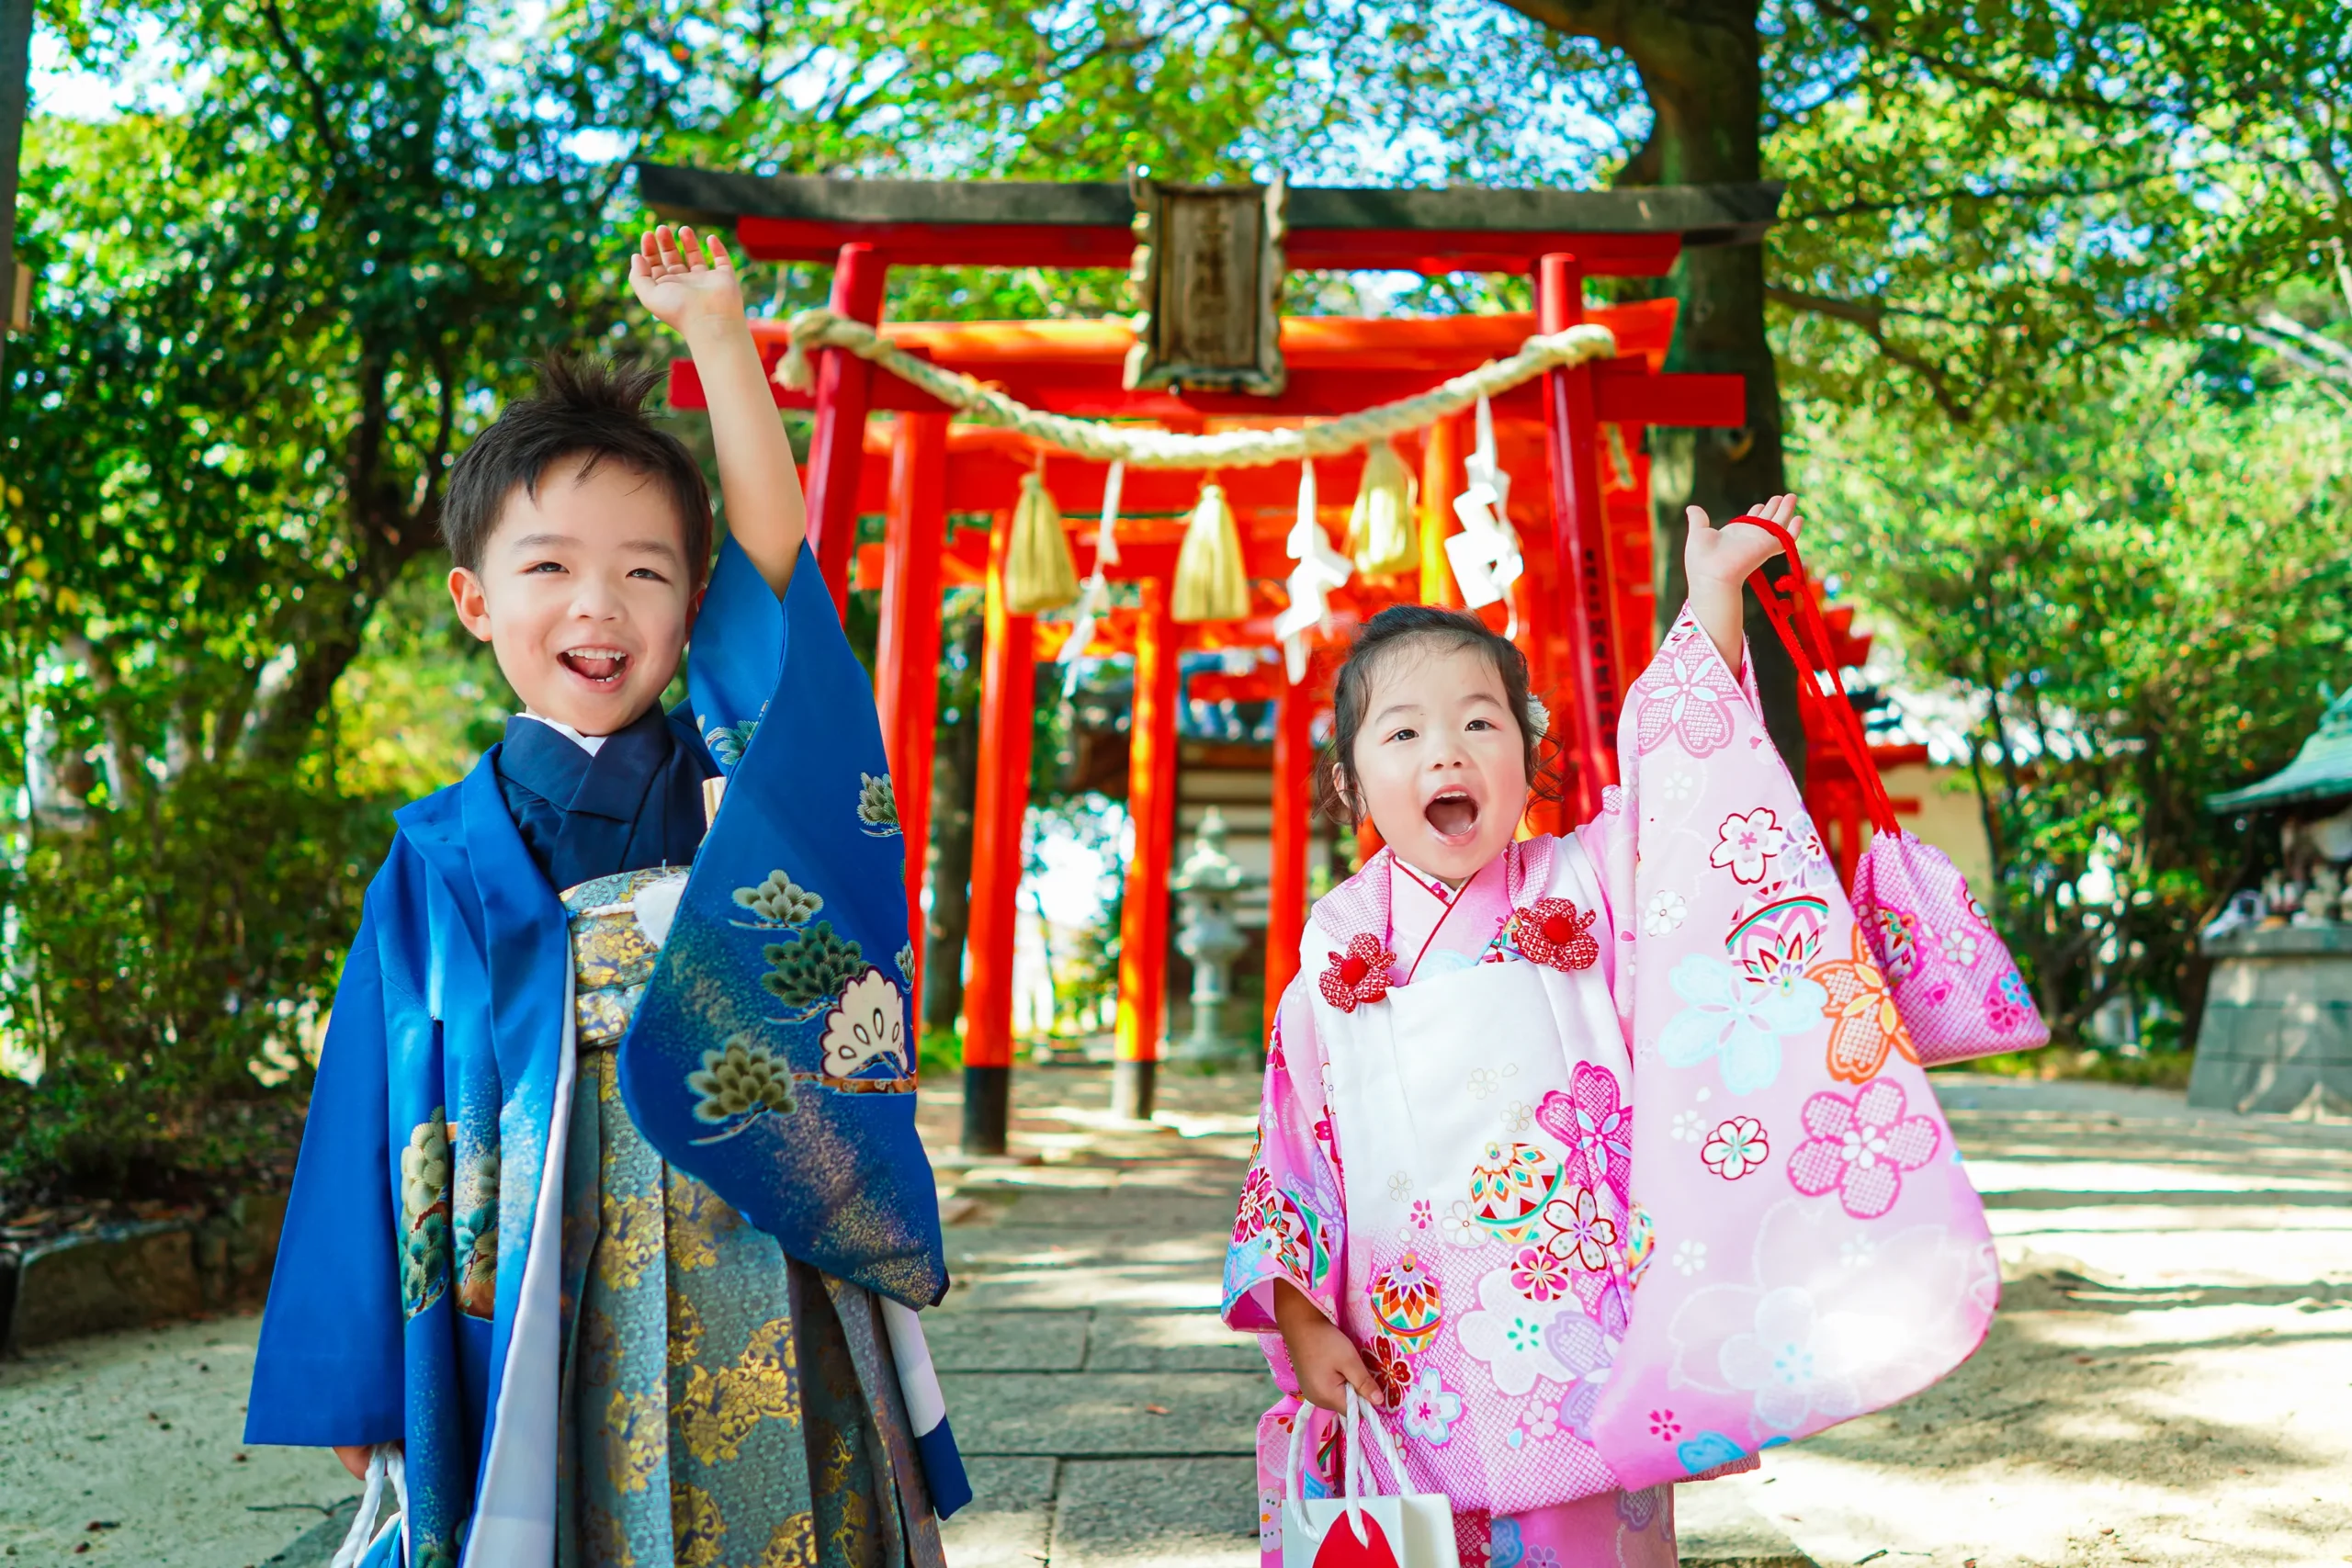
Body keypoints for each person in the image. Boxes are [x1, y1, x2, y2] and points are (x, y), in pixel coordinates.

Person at [244, 226, 967, 1568]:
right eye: (551, 567)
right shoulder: (441, 851)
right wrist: (358, 1368)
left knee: (791, 1488)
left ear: (693, 608)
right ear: (472, 599)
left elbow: (773, 564)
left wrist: (716, 330)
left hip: (750, 1189)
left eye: (646, 570)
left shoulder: (736, 784)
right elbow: (373, 1086)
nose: (601, 603)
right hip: (527, 1218)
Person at [1225, 495, 1999, 1566]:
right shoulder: (1337, 947)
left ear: (1527, 753)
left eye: (1479, 722)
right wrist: (1305, 1322)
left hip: (1578, 1310)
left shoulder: (1584, 881)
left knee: (1594, 1532)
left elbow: (1682, 792)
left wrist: (1714, 596)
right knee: (1428, 1532)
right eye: (1403, 733)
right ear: (1353, 782)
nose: (1446, 751)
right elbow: (1293, 1150)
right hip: (1410, 1339)